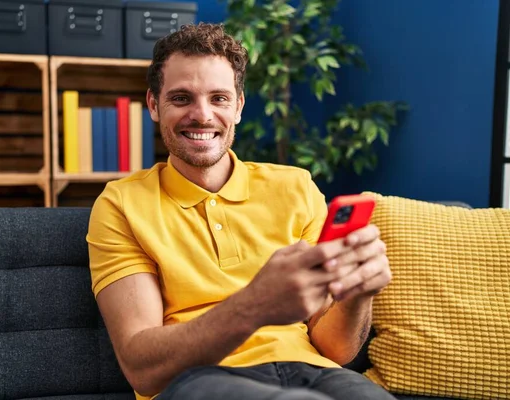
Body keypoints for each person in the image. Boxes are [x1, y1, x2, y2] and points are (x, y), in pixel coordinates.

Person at [86, 22, 394, 400]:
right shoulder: (121, 205)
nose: (202, 115)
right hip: (200, 379)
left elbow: (336, 350)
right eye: (182, 98)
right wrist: (256, 304)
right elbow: (142, 370)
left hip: (315, 371)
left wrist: (359, 293)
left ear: (239, 107)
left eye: (219, 98)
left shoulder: (296, 186)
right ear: (153, 105)